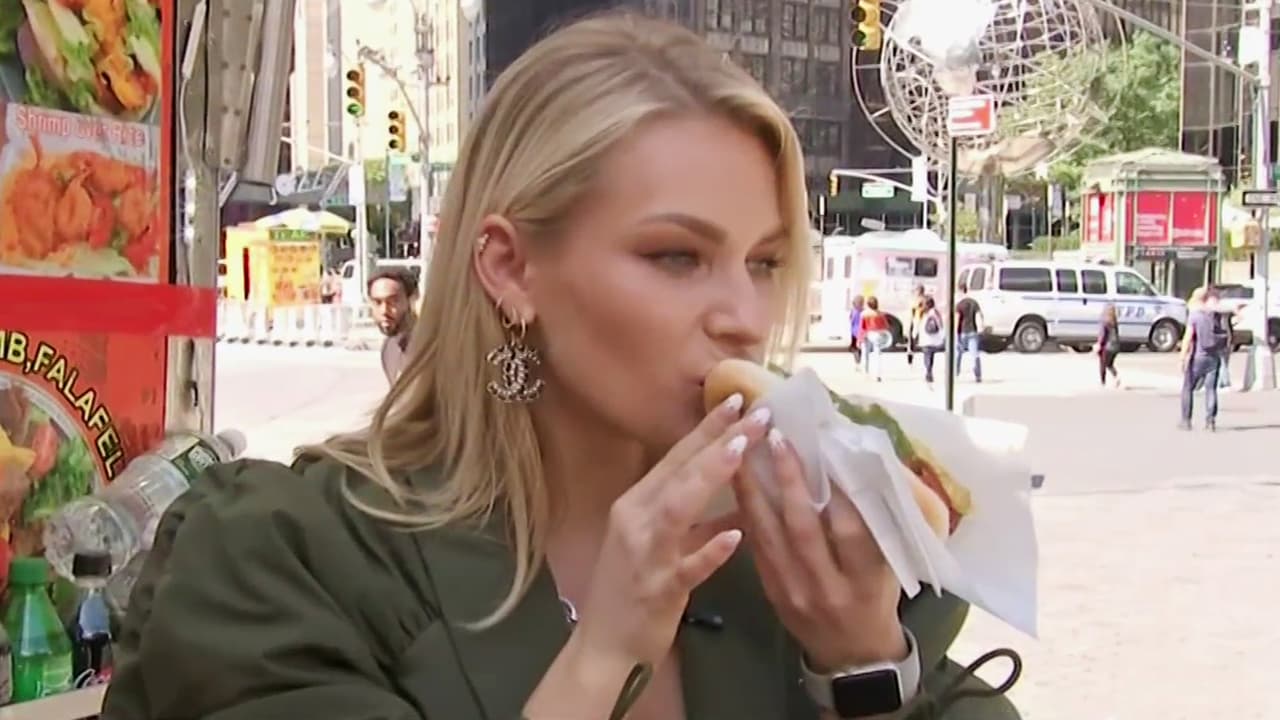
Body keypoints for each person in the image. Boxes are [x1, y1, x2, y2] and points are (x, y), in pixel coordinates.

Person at [103, 14, 1019, 720]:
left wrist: (861, 661)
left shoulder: (796, 560)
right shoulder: (286, 555)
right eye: (676, 257)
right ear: (510, 268)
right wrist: (601, 656)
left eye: (766, 262)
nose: (745, 317)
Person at [1179, 286, 1228, 431]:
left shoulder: (1195, 316)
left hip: (1197, 357)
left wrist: (1182, 357)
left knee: (1188, 388)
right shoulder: (1215, 315)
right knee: (1211, 389)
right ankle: (1210, 421)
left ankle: (1186, 420)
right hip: (1214, 357)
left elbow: (1188, 338)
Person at [369, 269, 417, 383]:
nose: (384, 311)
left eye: (393, 301)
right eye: (377, 302)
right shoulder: (388, 348)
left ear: (411, 299)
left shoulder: (430, 347)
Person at [954, 282, 983, 383]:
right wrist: (980, 328)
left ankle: (955, 373)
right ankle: (978, 375)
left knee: (958, 354)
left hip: (962, 332)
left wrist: (955, 333)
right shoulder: (974, 302)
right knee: (975, 354)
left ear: (960, 291)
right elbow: (979, 315)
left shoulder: (959, 305)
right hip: (973, 331)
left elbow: (957, 320)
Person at [859, 296, 891, 382]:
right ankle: (878, 375)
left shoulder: (864, 314)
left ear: (868, 304)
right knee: (877, 355)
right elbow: (886, 326)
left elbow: (862, 328)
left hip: (867, 334)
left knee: (865, 354)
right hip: (878, 335)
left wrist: (859, 339)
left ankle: (865, 373)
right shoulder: (881, 314)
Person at [917, 296, 945, 386]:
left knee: (927, 355)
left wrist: (915, 334)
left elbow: (919, 324)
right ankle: (929, 371)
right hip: (933, 338)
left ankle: (928, 371)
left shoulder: (924, 313)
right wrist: (942, 335)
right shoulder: (935, 312)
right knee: (930, 356)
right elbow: (940, 324)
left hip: (926, 338)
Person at [1096, 304, 1121, 388]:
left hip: (1107, 347)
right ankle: (1116, 377)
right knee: (1109, 364)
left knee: (1103, 364)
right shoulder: (1114, 322)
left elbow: (1103, 336)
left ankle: (1102, 382)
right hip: (1116, 346)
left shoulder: (1105, 323)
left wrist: (1099, 345)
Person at [905, 285, 927, 367]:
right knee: (911, 340)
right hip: (915, 321)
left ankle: (912, 357)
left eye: (919, 291)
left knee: (915, 339)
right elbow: (911, 311)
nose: (918, 292)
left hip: (920, 321)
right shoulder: (914, 299)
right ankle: (910, 357)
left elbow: (921, 310)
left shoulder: (924, 299)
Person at [848, 294, 865, 366]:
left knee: (855, 346)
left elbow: (851, 320)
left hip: (854, 331)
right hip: (861, 331)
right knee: (860, 346)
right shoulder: (863, 310)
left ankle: (857, 360)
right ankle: (859, 359)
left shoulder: (853, 310)